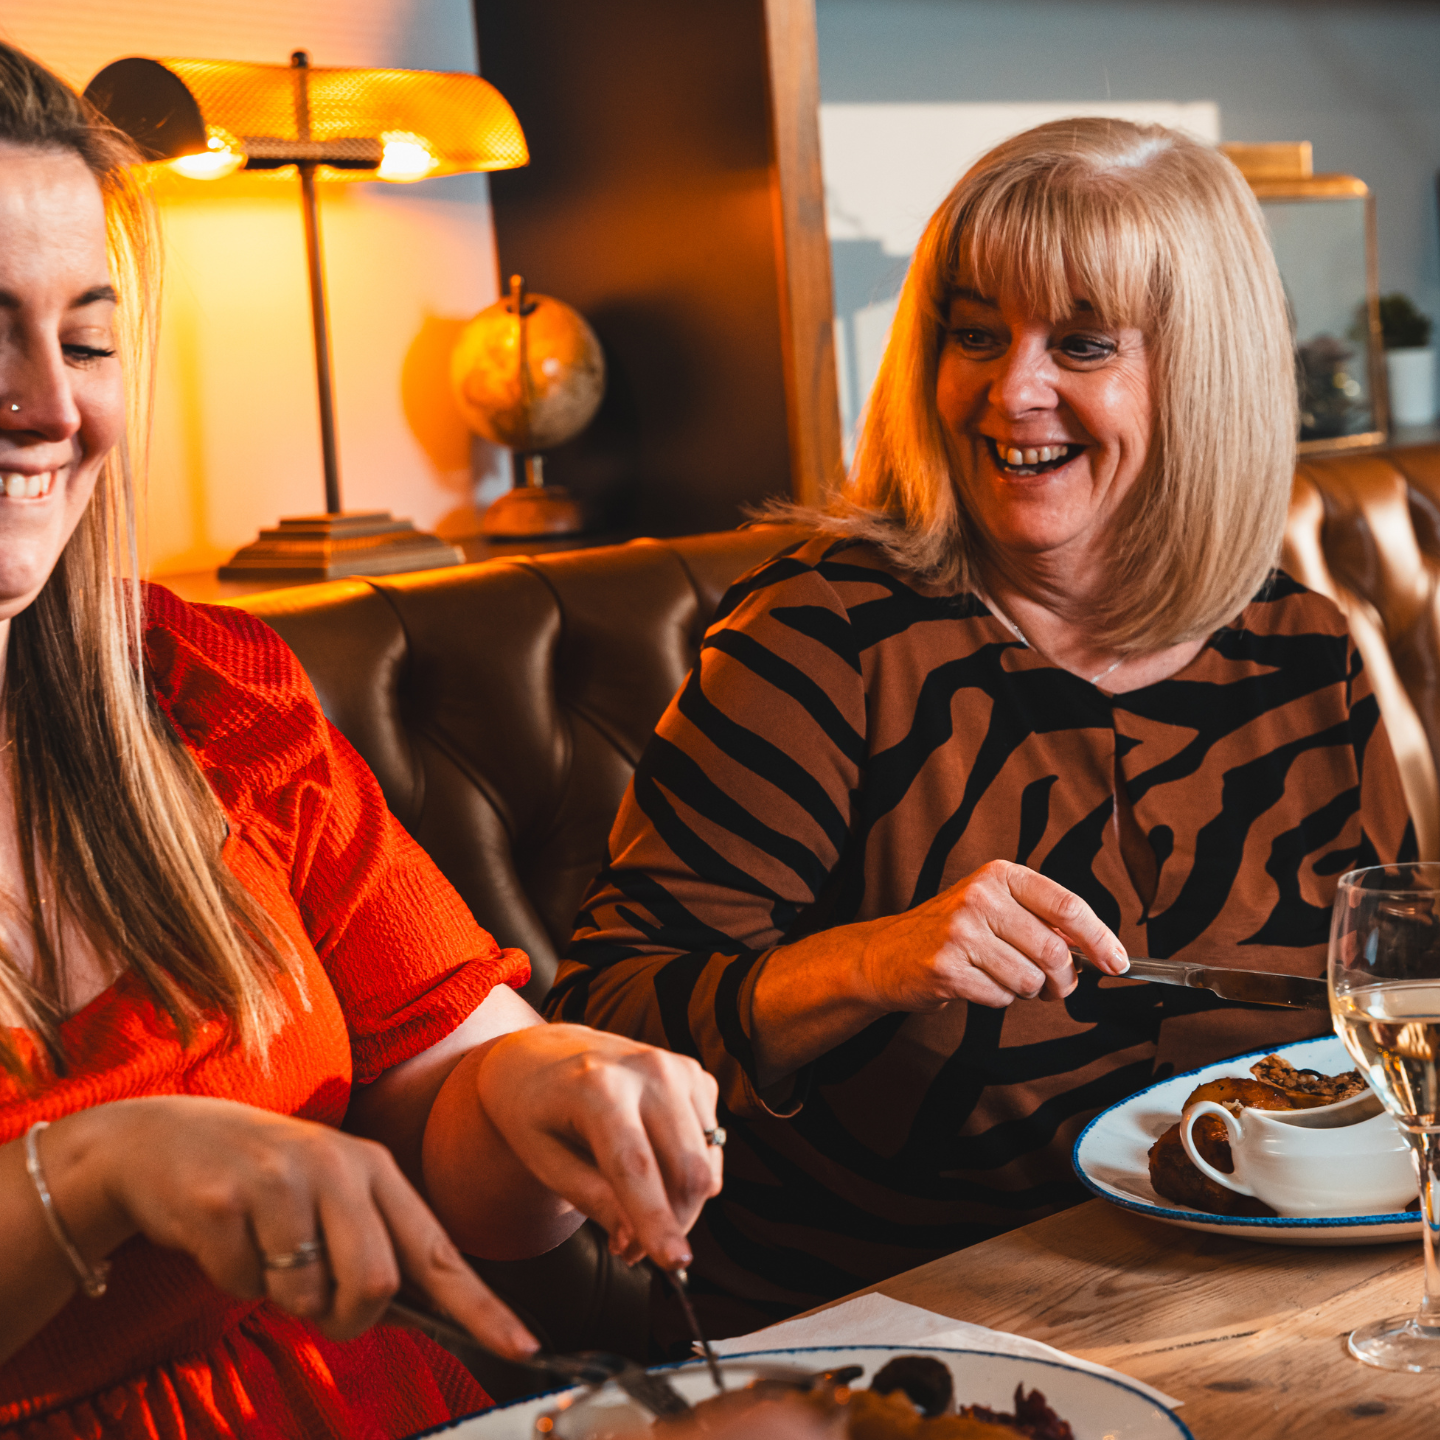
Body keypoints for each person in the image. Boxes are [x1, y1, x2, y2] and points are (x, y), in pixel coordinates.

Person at [546, 117, 1417, 1336]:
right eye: (973, 334)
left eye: (1081, 343)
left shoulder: (1301, 647)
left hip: (1274, 1306)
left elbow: (1392, 994)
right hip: (906, 1330)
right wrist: (873, 962)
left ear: (1205, 371)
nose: (1011, 392)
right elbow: (601, 1025)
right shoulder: (822, 639)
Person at [0, 43, 724, 1438]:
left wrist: (541, 1086)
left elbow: (453, 1105)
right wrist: (95, 1170)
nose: (52, 406)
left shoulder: (203, 689)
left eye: (86, 341)